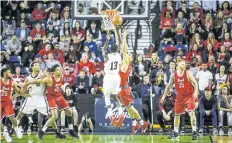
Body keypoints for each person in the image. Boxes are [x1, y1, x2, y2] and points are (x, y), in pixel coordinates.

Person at [15, 62, 64, 139]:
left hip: (41, 97)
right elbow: (23, 90)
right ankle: (12, 130)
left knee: (50, 116)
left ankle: (56, 132)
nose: (38, 66)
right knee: (20, 114)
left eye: (38, 65)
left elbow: (48, 80)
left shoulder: (42, 74)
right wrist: (21, 93)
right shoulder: (27, 78)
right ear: (32, 67)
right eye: (36, 65)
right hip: (31, 97)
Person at [116, 31, 148, 134]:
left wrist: (124, 37)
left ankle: (142, 123)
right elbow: (121, 49)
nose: (127, 55)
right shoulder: (124, 64)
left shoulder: (126, 63)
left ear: (130, 59)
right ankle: (135, 124)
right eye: (128, 55)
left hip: (124, 89)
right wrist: (118, 34)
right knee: (128, 108)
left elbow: (124, 50)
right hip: (121, 89)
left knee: (131, 108)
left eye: (129, 55)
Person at [37, 64, 78, 140]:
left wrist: (64, 88)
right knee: (54, 116)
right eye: (58, 70)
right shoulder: (50, 78)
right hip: (51, 96)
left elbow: (60, 85)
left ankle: (71, 131)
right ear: (54, 72)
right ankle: (41, 132)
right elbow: (40, 80)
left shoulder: (61, 76)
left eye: (60, 69)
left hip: (59, 95)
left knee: (69, 112)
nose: (60, 71)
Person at [161, 59, 198, 140]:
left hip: (189, 95)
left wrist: (195, 92)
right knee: (176, 115)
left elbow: (195, 83)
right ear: (178, 65)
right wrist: (163, 96)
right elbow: (168, 86)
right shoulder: (173, 75)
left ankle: (194, 131)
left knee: (192, 113)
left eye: (185, 64)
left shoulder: (187, 73)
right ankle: (176, 132)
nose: (184, 65)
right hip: (180, 96)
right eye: (182, 64)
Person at [1, 68, 29, 142]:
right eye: (9, 72)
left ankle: (16, 128)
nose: (11, 73)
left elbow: (19, 92)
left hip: (7, 102)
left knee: (12, 117)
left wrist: (23, 93)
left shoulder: (12, 82)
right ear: (4, 73)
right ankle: (5, 134)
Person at [102, 29, 123, 126]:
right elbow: (119, 44)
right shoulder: (119, 56)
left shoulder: (108, 56)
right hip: (117, 77)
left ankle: (111, 115)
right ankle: (121, 113)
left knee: (107, 96)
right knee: (115, 96)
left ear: (110, 50)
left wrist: (107, 39)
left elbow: (103, 50)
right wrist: (118, 33)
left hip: (109, 77)